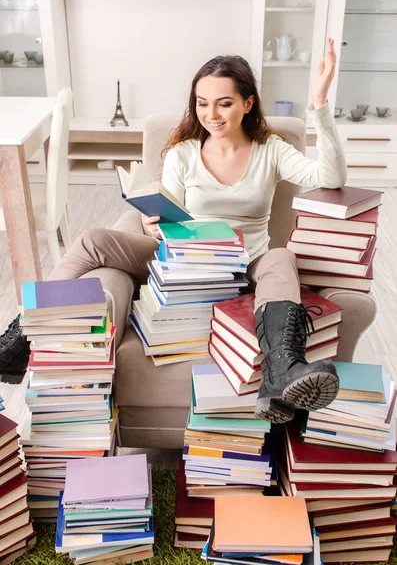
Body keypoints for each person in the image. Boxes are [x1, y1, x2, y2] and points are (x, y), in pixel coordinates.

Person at [1, 39, 346, 424]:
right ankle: (24, 336)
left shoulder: (271, 149)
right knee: (93, 239)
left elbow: (330, 176)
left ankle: (281, 375)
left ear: (248, 103)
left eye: (224, 103)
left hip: (246, 264)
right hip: (188, 263)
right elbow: (168, 220)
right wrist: (156, 223)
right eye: (202, 103)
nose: (211, 114)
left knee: (281, 257)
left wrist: (319, 103)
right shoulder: (183, 153)